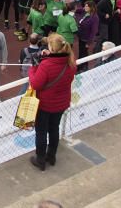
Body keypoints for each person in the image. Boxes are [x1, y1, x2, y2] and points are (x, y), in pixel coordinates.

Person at [28, 33, 77, 170]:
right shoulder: (71, 61)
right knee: (54, 129)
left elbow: (36, 84)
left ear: (52, 48)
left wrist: (33, 68)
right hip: (61, 103)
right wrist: (48, 56)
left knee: (41, 132)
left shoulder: (46, 65)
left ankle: (40, 160)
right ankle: (51, 156)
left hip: (45, 104)